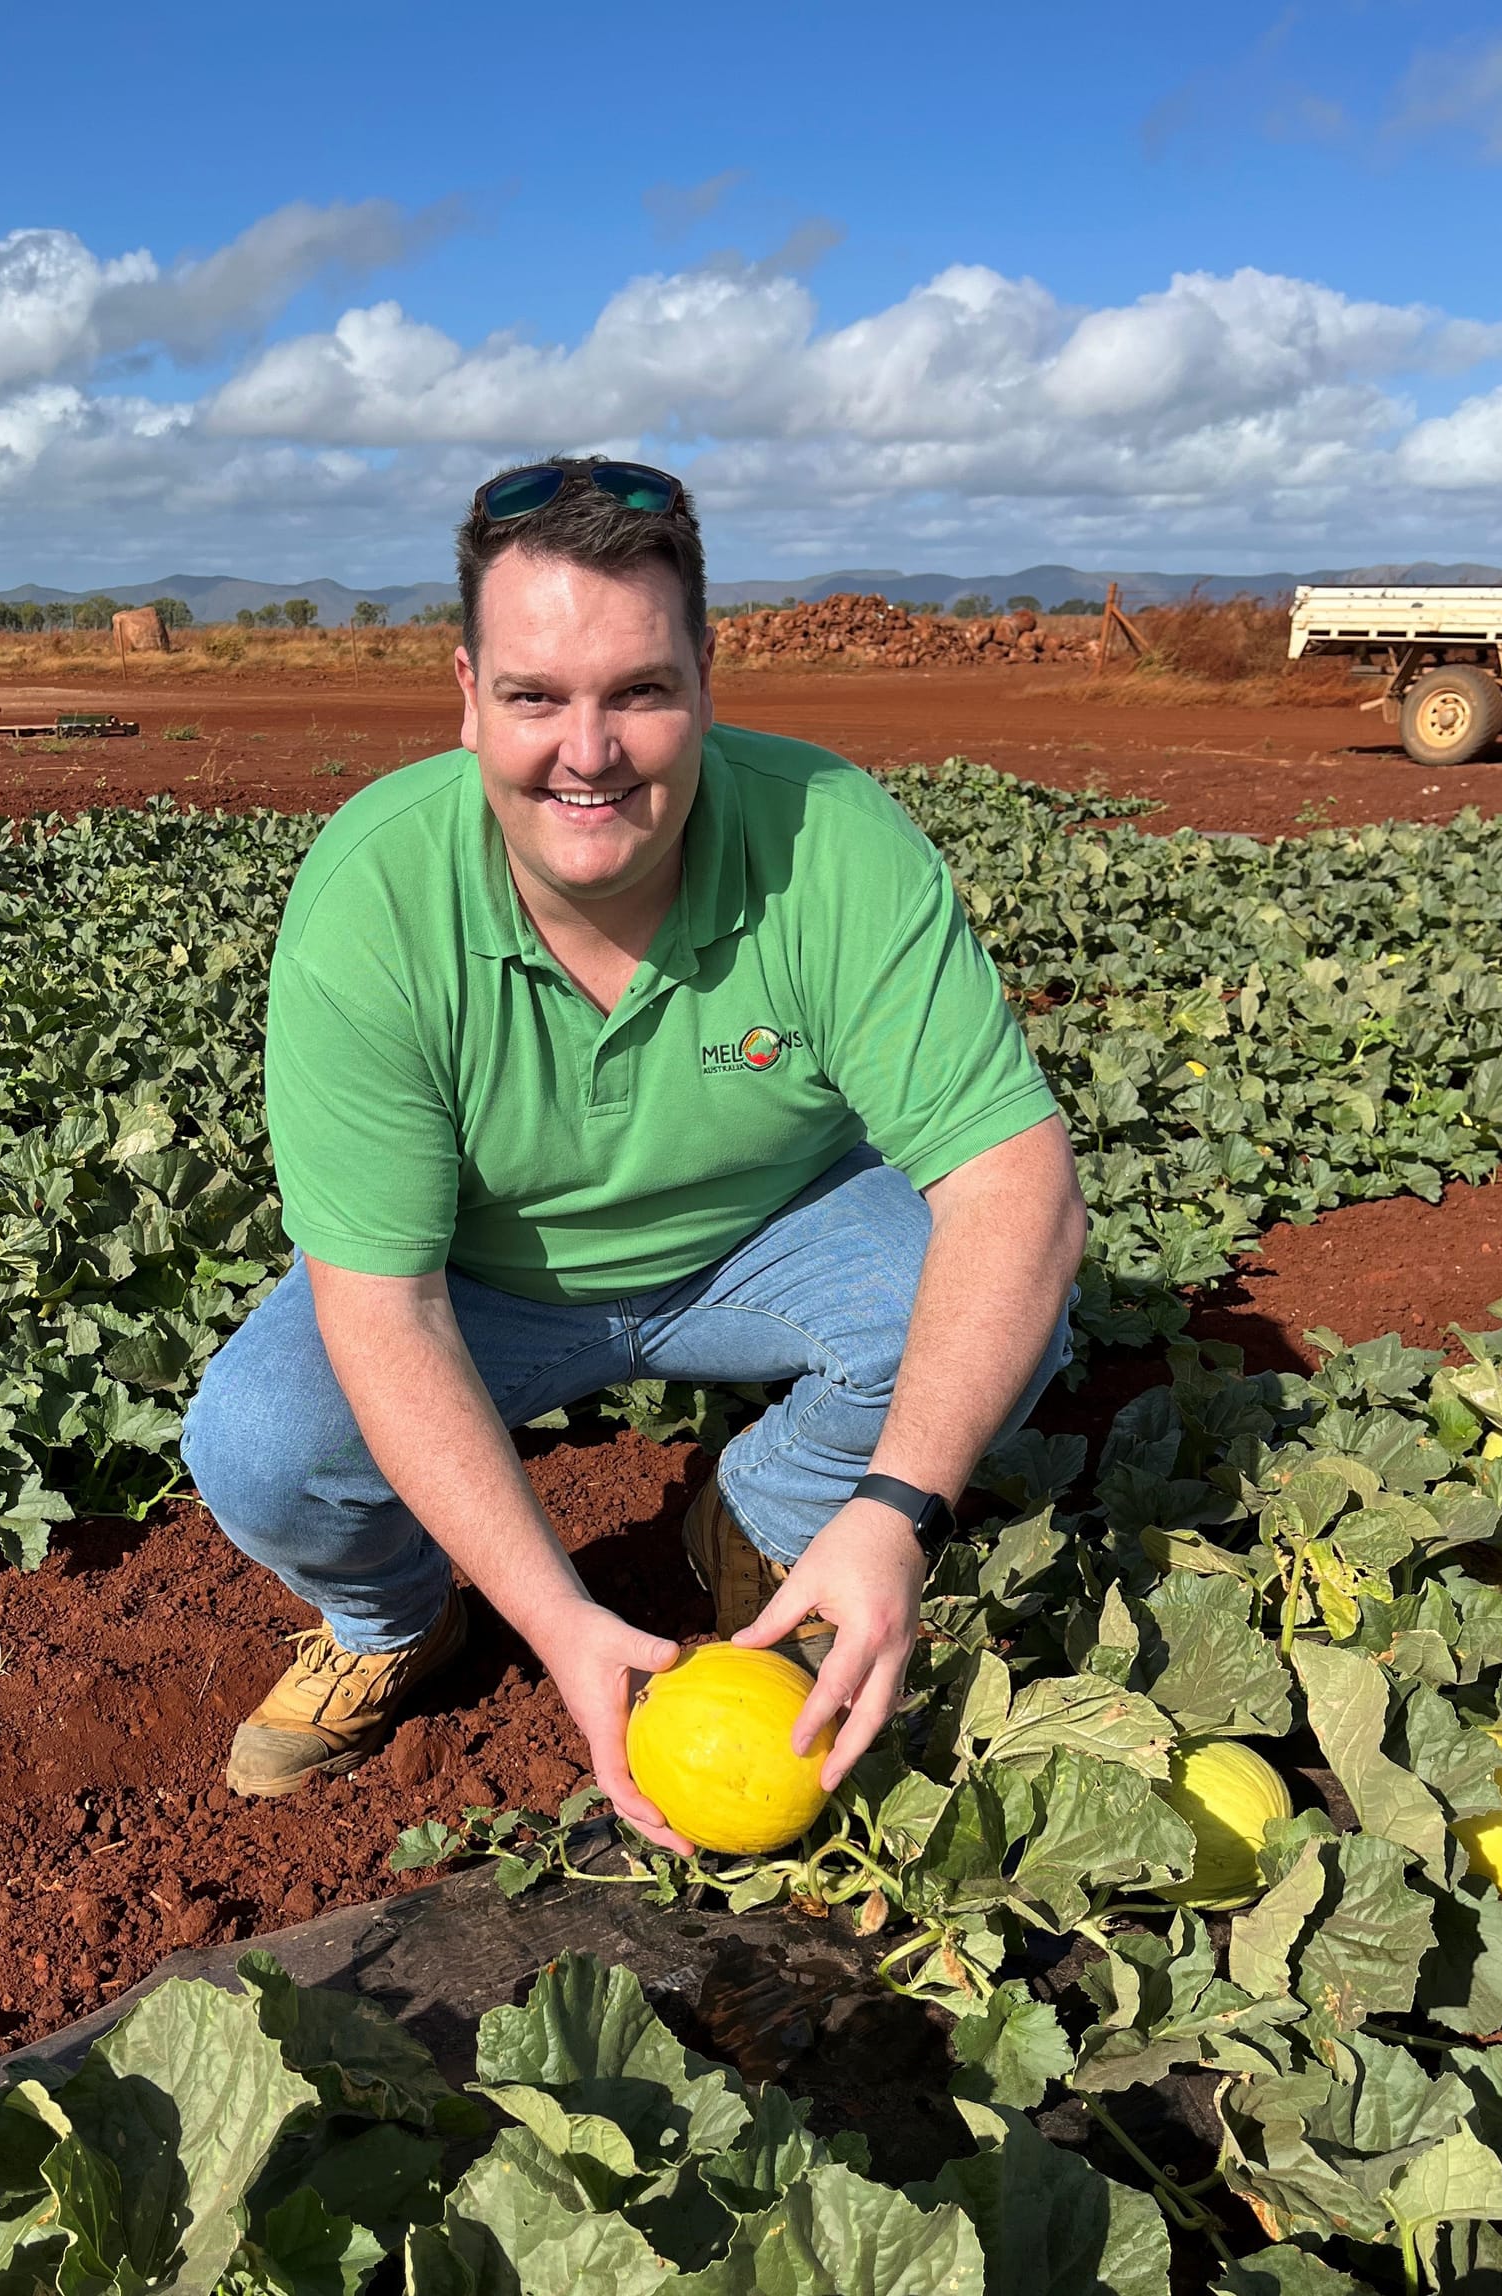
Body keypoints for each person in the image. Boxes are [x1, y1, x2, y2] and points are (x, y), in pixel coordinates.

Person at [181, 456, 1087, 1853]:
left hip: (762, 1247)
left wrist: (897, 1511)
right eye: (537, 696)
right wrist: (556, 1622)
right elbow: (385, 1305)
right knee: (263, 1441)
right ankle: (396, 1623)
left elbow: (1015, 1180)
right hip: (478, 1289)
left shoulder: (830, 840)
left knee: (1005, 1308)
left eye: (639, 693)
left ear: (707, 682)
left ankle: (767, 1514)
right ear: (469, 695)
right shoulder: (375, 897)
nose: (587, 752)